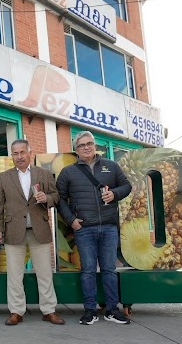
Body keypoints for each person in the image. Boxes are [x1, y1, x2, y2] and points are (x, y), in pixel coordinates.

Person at [55, 131, 132, 325]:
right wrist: (71, 220)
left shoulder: (111, 166)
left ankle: (112, 309)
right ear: (76, 150)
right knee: (88, 270)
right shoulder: (68, 172)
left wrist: (114, 194)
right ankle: (90, 310)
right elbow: (59, 199)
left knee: (109, 270)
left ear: (95, 145)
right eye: (82, 145)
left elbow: (127, 186)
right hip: (84, 229)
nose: (87, 147)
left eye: (89, 143)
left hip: (108, 227)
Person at [0, 139, 64, 326]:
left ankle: (49, 311)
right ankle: (16, 311)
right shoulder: (4, 177)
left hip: (39, 230)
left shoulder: (44, 174)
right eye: (15, 153)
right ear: (12, 156)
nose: (19, 156)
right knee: (15, 275)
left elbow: (56, 197)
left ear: (29, 153)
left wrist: (46, 198)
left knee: (45, 273)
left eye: (22, 152)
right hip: (13, 231)